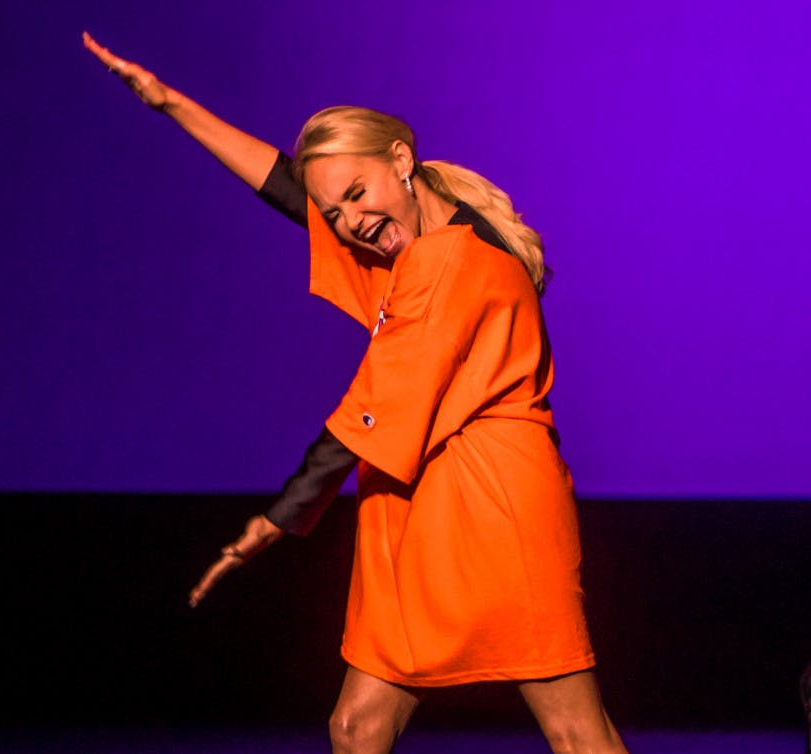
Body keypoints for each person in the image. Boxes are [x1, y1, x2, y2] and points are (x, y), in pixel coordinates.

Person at [83, 31, 628, 754]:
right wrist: (171, 103)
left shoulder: (451, 266)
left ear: (401, 162)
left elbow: (370, 407)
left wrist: (279, 518)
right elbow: (288, 187)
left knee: (574, 730)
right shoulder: (411, 233)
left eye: (356, 196)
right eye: (336, 213)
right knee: (357, 725)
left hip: (495, 501)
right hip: (410, 496)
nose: (349, 225)